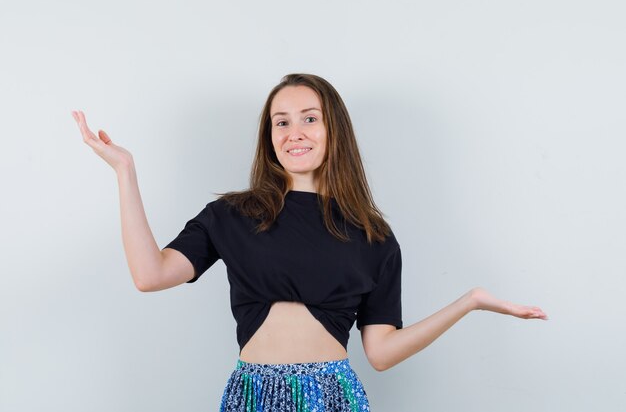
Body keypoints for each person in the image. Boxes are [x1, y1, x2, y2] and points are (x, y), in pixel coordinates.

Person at [72, 73, 548, 412]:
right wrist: (125, 171)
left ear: (332, 129)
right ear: (269, 136)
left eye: (309, 119)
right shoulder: (232, 215)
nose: (294, 132)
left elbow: (381, 353)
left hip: (333, 398)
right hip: (252, 397)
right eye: (281, 122)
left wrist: (470, 302)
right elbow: (149, 275)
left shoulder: (372, 236)